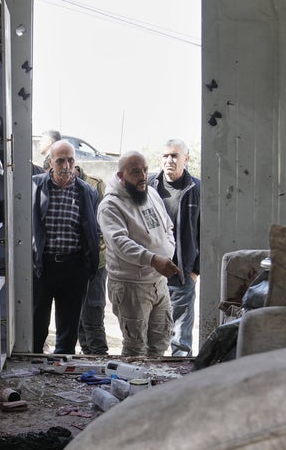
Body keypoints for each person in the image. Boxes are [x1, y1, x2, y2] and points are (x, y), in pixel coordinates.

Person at [98, 150, 180, 358]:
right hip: (130, 286)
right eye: (135, 172)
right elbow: (120, 243)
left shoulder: (151, 193)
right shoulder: (110, 205)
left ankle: (156, 379)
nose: (143, 176)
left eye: (145, 170)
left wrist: (168, 250)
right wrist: (153, 259)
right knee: (136, 348)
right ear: (121, 176)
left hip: (159, 281)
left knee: (160, 343)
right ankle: (133, 380)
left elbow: (168, 226)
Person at [31, 140, 100, 354]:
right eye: (60, 160)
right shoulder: (34, 186)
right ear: (51, 162)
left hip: (74, 267)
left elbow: (93, 230)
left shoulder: (87, 191)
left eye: (70, 160)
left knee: (68, 331)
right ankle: (34, 365)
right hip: (42, 267)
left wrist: (88, 267)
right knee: (36, 325)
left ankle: (62, 367)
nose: (66, 166)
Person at [152, 139, 201, 355]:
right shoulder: (150, 186)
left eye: (174, 156)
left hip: (182, 274)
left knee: (180, 340)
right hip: (152, 273)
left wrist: (195, 271)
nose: (169, 160)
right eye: (165, 156)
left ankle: (180, 374)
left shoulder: (197, 188)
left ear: (186, 159)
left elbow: (205, 232)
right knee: (152, 336)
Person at [77, 165, 109, 355]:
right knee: (78, 314)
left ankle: (98, 355)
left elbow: (103, 224)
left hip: (96, 260)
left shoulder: (95, 185)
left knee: (93, 311)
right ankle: (87, 352)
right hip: (73, 262)